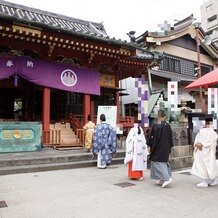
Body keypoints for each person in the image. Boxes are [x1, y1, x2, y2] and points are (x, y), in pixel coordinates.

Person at [147, 109, 174, 188]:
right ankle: (161, 178)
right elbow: (170, 138)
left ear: (157, 116)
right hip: (166, 147)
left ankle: (167, 178)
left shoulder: (156, 124)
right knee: (164, 162)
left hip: (158, 147)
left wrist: (150, 146)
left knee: (158, 163)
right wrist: (169, 147)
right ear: (164, 116)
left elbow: (152, 137)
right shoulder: (167, 125)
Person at [191, 116, 218, 188]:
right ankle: (213, 179)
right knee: (210, 165)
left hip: (204, 150)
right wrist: (198, 144)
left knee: (203, 165)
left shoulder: (206, 131)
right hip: (206, 151)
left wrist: (200, 144)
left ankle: (205, 181)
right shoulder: (213, 133)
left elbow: (200, 140)